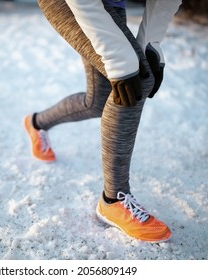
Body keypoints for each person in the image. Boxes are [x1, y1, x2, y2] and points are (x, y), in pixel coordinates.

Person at [24, 0, 182, 242]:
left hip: (111, 4)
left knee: (100, 99)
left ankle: (36, 123)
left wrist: (151, 42)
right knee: (135, 80)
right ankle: (114, 199)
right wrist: (122, 64)